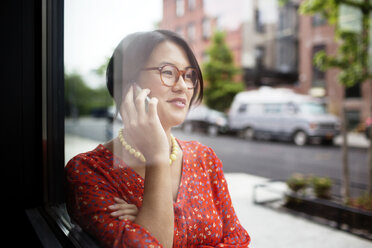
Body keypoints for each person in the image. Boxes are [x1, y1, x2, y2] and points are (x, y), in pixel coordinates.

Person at [65, 30, 251, 248]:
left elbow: (238, 239)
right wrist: (157, 157)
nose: (183, 86)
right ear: (128, 82)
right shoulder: (89, 171)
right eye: (168, 72)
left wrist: (145, 225)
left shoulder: (204, 158)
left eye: (189, 75)